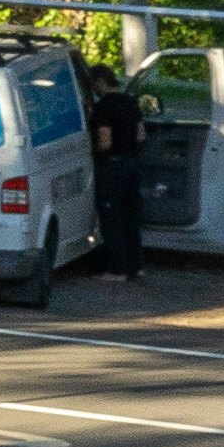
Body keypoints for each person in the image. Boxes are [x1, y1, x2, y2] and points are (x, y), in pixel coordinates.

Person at [84, 41, 153, 286]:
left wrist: (90, 151)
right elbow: (141, 135)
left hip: (111, 165)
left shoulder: (103, 108)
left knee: (111, 217)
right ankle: (137, 265)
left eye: (94, 85)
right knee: (130, 215)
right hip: (132, 162)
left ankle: (117, 269)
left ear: (100, 82)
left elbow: (105, 141)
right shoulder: (130, 103)